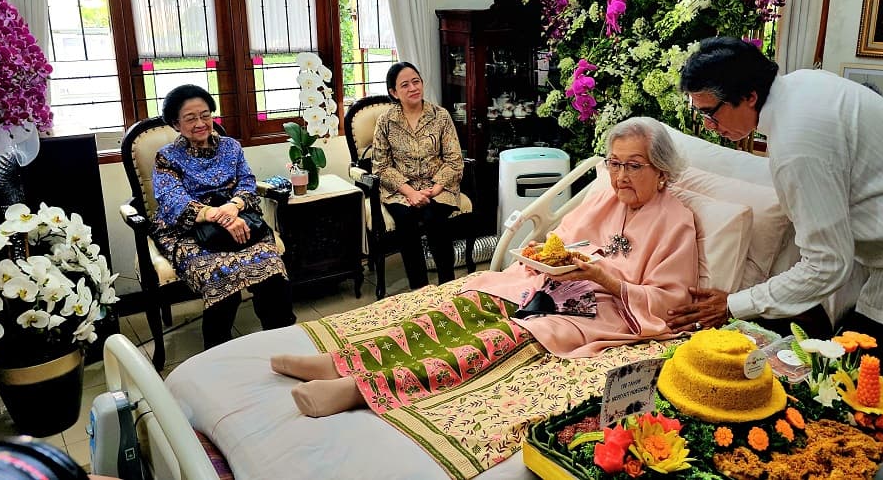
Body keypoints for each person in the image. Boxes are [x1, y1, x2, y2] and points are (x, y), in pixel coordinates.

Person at [271, 117, 699, 417]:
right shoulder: (604, 195)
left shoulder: (676, 219)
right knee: (462, 310)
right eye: (614, 163)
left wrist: (606, 278)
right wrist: (541, 252)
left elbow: (670, 302)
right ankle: (345, 362)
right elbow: (561, 241)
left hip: (597, 309)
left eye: (633, 165)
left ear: (661, 169)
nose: (619, 175)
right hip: (543, 285)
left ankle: (359, 390)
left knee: (497, 337)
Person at [668, 36, 883, 412]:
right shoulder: (802, 84)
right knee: (870, 371)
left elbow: (827, 263)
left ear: (750, 96)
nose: (710, 125)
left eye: (712, 112)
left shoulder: (798, 145)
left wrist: (735, 304)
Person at [152, 84, 295, 349]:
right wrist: (221, 216)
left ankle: (282, 346)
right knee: (221, 280)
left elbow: (247, 183)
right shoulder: (167, 158)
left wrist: (234, 206)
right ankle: (218, 355)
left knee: (273, 276)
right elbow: (174, 201)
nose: (200, 123)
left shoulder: (231, 147)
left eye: (205, 115)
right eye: (190, 118)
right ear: (175, 123)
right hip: (188, 231)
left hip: (239, 219)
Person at [371, 62, 463, 289]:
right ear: (394, 92)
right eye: (405, 85)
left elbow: (454, 160)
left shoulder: (440, 116)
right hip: (401, 190)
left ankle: (447, 286)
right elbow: (381, 167)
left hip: (439, 187)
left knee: (435, 218)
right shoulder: (385, 121)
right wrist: (411, 192)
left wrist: (434, 190)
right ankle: (419, 290)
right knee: (406, 221)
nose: (413, 88)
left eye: (416, 81)